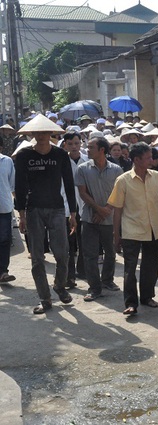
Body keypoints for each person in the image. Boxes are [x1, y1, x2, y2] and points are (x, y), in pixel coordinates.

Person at [14, 114, 77, 314]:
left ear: (51, 133)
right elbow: (20, 186)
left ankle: (59, 285)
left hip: (57, 209)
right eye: (37, 132)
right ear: (32, 134)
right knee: (38, 258)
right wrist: (21, 214)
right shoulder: (24, 155)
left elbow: (69, 184)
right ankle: (45, 298)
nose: (41, 135)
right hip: (33, 210)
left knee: (62, 254)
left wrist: (73, 213)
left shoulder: (60, 155)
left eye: (45, 132)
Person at [108, 142, 158, 316]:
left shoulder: (157, 177)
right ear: (136, 160)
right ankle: (130, 303)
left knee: (151, 266)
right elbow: (117, 209)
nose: (151, 160)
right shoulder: (122, 181)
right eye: (147, 158)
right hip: (131, 230)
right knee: (130, 268)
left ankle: (147, 297)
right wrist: (116, 235)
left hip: (153, 228)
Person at [76, 136, 123, 301]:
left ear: (102, 150)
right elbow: (82, 192)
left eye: (90, 147)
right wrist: (99, 209)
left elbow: (119, 193)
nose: (87, 150)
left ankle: (107, 280)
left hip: (109, 219)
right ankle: (94, 288)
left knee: (110, 252)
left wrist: (107, 209)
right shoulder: (82, 169)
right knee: (90, 254)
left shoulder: (116, 170)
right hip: (89, 218)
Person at [61, 131, 87, 289]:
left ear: (80, 144)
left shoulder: (87, 161)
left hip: (84, 204)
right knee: (68, 244)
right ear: (65, 145)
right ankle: (69, 277)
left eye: (76, 143)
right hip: (66, 205)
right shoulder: (61, 161)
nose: (74, 147)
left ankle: (83, 271)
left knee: (85, 241)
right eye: (70, 144)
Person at [0, 145, 14, 283]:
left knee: (4, 240)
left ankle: (3, 271)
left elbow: (12, 184)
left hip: (4, 207)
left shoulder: (7, 161)